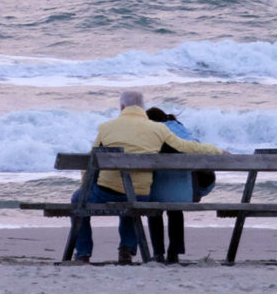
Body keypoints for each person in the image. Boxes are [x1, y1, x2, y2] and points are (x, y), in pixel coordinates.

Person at [71, 90, 225, 264]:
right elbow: (187, 147)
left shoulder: (106, 127)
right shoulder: (158, 129)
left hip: (108, 191)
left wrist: (85, 188)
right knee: (130, 199)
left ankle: (83, 253)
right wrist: (217, 151)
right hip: (141, 194)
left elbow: (91, 162)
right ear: (142, 107)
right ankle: (126, 249)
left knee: (78, 199)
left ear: (122, 107)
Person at [145, 106, 216, 264]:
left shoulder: (153, 132)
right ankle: (174, 252)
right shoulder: (182, 130)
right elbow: (198, 148)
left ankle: (158, 253)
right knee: (175, 211)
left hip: (156, 193)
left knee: (154, 211)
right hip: (184, 194)